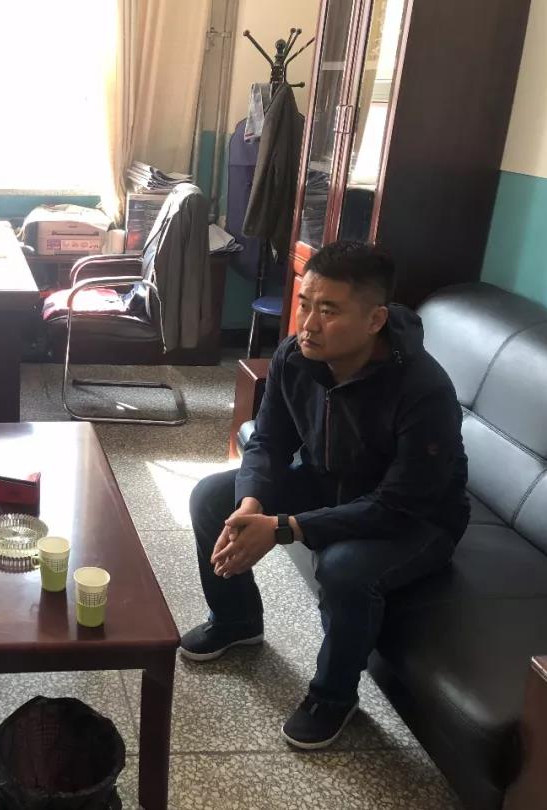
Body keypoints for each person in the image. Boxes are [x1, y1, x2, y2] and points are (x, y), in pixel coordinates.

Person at [181, 241, 468, 749]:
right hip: (327, 482)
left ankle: (334, 697)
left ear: (375, 319)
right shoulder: (296, 356)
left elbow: (400, 504)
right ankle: (236, 620)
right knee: (212, 497)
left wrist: (285, 528)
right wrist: (251, 505)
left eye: (329, 311)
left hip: (418, 519)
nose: (308, 324)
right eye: (305, 303)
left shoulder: (424, 389)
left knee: (344, 568)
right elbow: (269, 442)